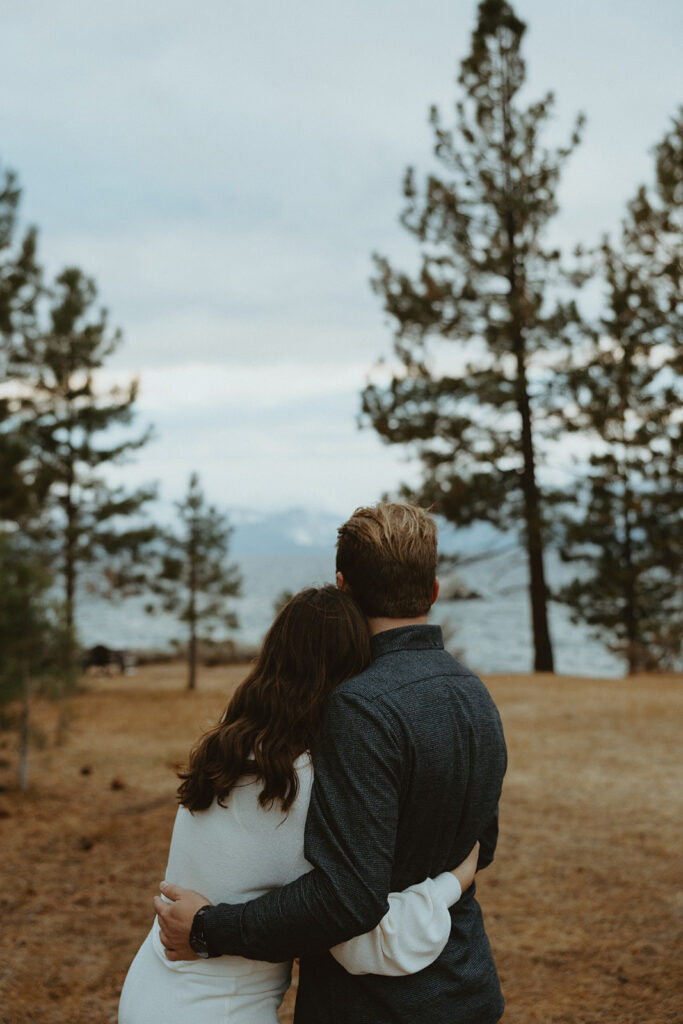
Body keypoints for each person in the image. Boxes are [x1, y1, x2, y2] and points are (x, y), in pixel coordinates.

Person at [155, 502, 508, 1024]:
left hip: (372, 1007)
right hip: (467, 989)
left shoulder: (356, 708)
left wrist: (210, 929)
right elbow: (482, 845)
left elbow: (347, 899)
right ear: (433, 591)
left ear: (343, 587)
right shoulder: (475, 694)